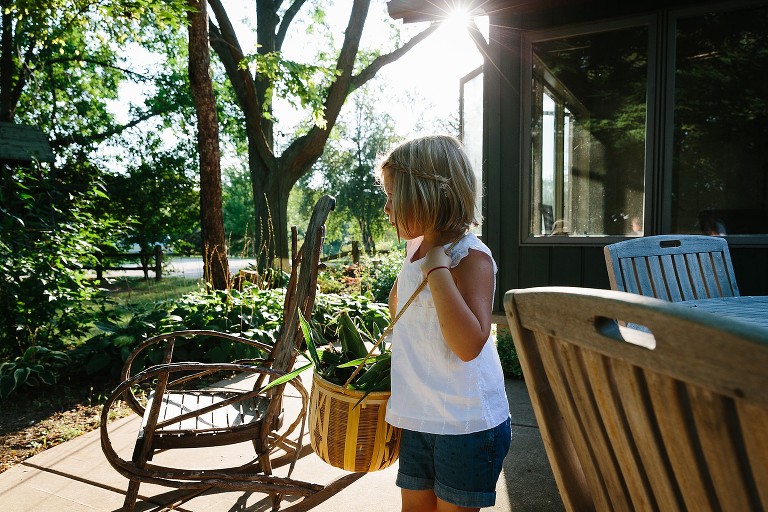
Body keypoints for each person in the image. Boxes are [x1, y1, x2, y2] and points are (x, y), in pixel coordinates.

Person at [377, 134, 511, 512]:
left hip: (466, 425)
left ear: (428, 195)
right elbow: (401, 311)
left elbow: (468, 346)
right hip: (420, 416)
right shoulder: (414, 251)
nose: (387, 208)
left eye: (393, 196)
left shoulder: (470, 258)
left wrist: (438, 270)